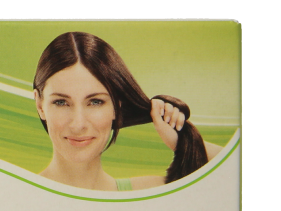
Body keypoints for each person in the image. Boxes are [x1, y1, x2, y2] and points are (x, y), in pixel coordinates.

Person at [32, 32, 222, 191]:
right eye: (61, 102)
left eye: (95, 102)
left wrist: (183, 141)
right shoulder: (20, 194)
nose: (78, 124)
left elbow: (231, 168)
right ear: (40, 105)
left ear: (117, 105)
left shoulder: (152, 192)